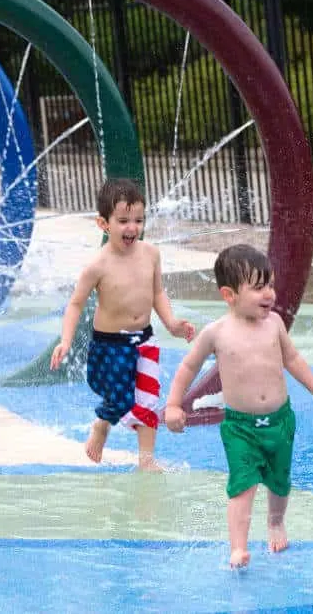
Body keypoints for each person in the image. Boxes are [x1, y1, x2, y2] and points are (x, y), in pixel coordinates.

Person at [165, 243, 313, 569]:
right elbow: (188, 368)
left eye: (269, 284)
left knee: (279, 482)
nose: (269, 293)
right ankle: (238, 548)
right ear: (229, 295)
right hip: (240, 427)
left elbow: (293, 359)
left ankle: (275, 521)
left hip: (280, 420)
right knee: (242, 485)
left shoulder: (274, 325)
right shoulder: (216, 333)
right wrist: (174, 405)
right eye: (258, 288)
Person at [49, 177, 196, 470]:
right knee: (120, 399)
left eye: (138, 220)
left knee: (148, 399)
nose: (132, 228)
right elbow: (76, 303)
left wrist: (171, 323)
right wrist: (65, 340)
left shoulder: (151, 254)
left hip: (145, 340)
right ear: (103, 224)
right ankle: (102, 424)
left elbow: (157, 292)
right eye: (123, 220)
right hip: (110, 345)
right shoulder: (98, 266)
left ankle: (146, 460)